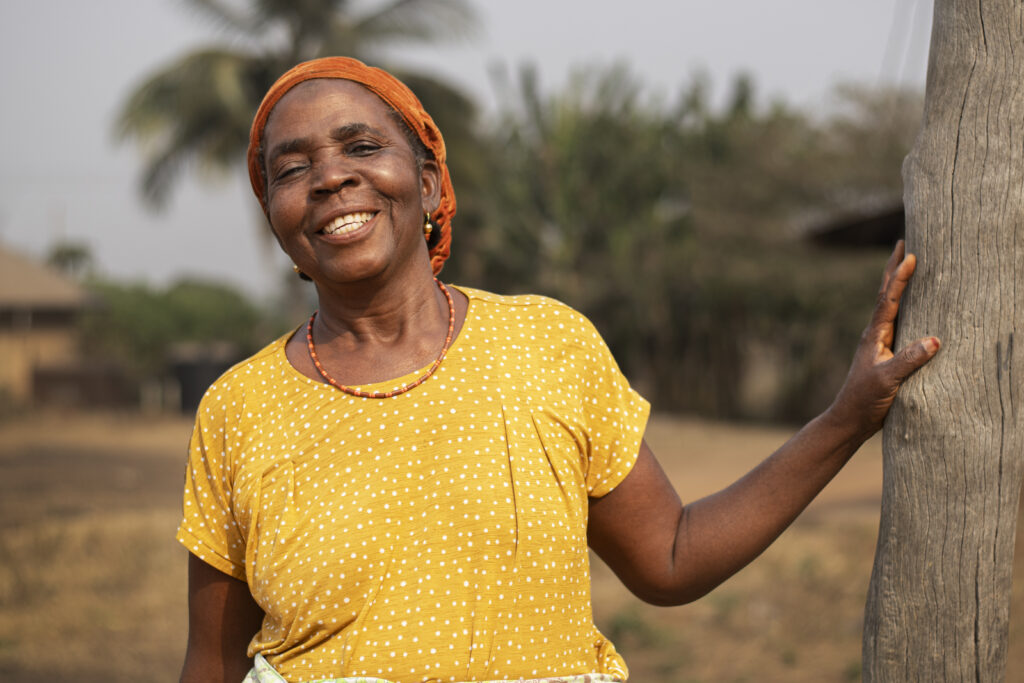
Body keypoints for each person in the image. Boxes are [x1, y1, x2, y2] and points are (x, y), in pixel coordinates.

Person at [177, 57, 940, 683]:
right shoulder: (238, 407)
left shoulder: (547, 344)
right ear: (275, 214)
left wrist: (845, 417)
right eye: (291, 167)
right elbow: (211, 663)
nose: (331, 177)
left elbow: (670, 557)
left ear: (434, 184)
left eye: (362, 147)